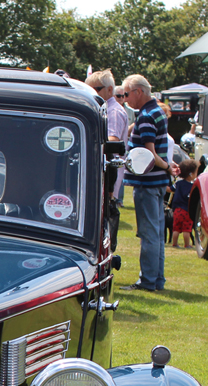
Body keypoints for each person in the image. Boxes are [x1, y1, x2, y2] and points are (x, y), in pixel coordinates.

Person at [123, 74, 178, 292]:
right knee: (156, 233)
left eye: (127, 94)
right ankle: (157, 280)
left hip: (147, 182)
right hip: (157, 182)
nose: (125, 99)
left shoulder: (146, 116)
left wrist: (167, 166)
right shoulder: (157, 112)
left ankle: (147, 281)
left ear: (138, 92)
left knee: (148, 235)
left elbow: (149, 154)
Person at [87, 69, 127, 250]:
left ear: (110, 90)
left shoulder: (113, 112)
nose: (92, 93)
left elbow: (111, 142)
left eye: (95, 89)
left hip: (108, 176)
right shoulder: (103, 110)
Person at [170, 165, 195, 249]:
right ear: (191, 174)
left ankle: (174, 243)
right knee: (186, 229)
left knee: (176, 228)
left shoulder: (178, 183)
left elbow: (170, 189)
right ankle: (187, 244)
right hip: (187, 211)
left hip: (177, 210)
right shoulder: (192, 186)